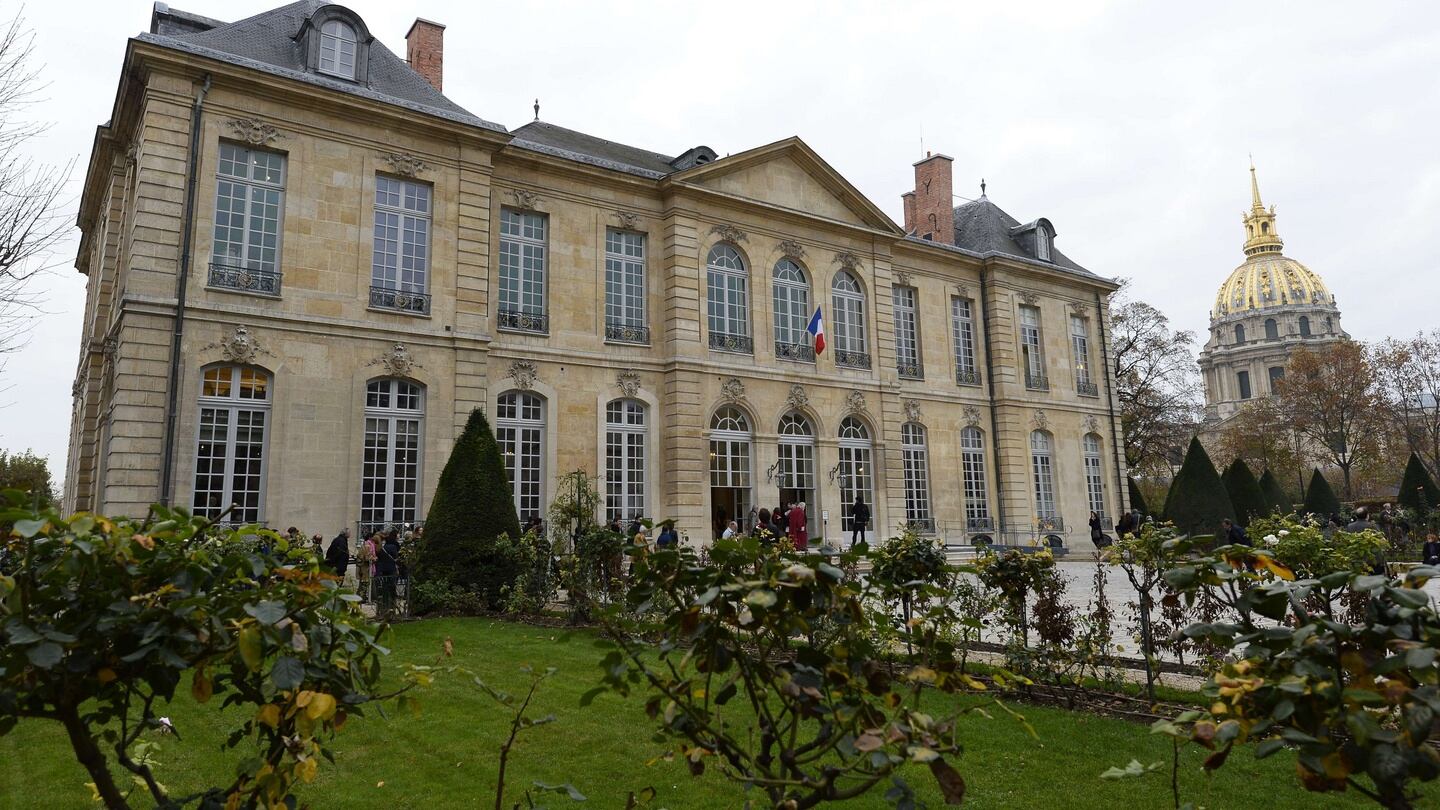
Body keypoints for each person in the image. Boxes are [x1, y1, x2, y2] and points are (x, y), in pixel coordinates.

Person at [375, 531, 401, 615]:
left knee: (385, 588)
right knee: (392, 588)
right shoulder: (393, 547)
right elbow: (396, 558)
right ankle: (392, 606)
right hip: (391, 569)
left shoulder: (383, 547)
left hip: (384, 570)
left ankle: (384, 608)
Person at [355, 532, 377, 602]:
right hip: (366, 568)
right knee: (364, 583)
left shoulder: (368, 544)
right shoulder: (368, 545)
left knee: (366, 583)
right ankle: (360, 598)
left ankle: (366, 597)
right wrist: (374, 558)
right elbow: (367, 557)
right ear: (370, 537)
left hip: (366, 567)